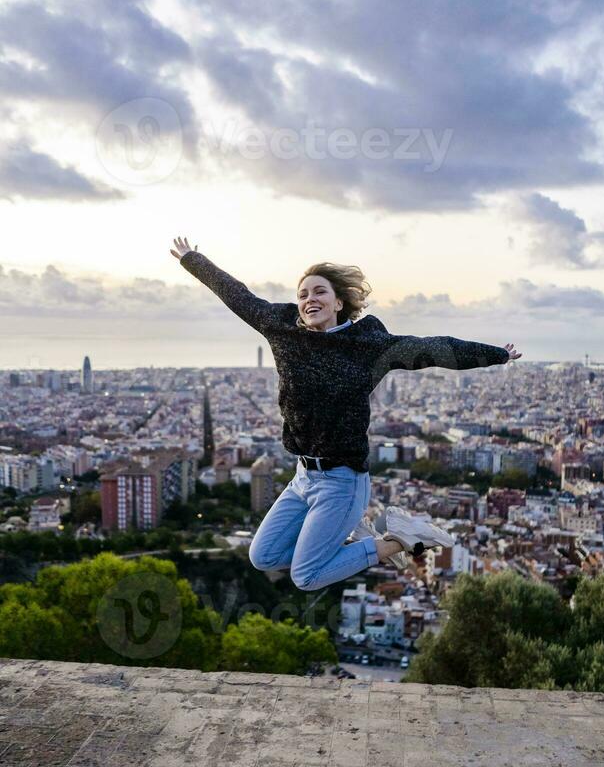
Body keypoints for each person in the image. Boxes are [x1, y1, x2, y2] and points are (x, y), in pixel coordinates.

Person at [171, 236, 522, 591]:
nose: (310, 299)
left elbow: (433, 349)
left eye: (319, 291)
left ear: (339, 302)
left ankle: (399, 539)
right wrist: (192, 260)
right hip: (303, 476)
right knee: (262, 556)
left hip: (342, 480)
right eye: (303, 294)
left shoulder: (368, 345)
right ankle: (362, 542)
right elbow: (238, 296)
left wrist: (496, 354)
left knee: (306, 576)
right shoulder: (283, 331)